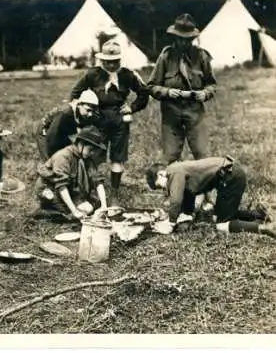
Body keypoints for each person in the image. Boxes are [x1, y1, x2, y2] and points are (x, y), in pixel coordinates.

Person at [71, 40, 149, 207]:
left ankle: (114, 193)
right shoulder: (92, 74)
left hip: (119, 122)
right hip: (97, 120)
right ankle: (92, 191)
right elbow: (75, 94)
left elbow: (144, 93)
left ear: (120, 60)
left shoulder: (128, 75)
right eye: (108, 61)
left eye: (115, 61)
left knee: (117, 157)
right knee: (94, 156)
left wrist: (132, 107)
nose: (112, 65)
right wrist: (82, 110)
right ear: (101, 61)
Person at [145, 156, 274, 237]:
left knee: (221, 226)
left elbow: (176, 201)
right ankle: (258, 215)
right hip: (230, 174)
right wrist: (186, 215)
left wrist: (170, 223)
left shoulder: (173, 173)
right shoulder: (176, 168)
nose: (164, 190)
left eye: (161, 186)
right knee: (219, 216)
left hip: (230, 177)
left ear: (161, 174)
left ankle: (264, 229)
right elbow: (189, 193)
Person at [147, 13, 216, 165]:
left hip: (195, 112)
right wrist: (167, 92)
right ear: (174, 38)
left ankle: (203, 186)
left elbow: (212, 84)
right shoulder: (166, 56)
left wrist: (204, 94)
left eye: (188, 40)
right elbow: (151, 86)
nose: (183, 43)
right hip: (171, 112)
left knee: (203, 155)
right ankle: (172, 186)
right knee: (170, 157)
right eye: (180, 39)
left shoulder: (201, 56)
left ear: (192, 39)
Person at [32, 126, 109, 221]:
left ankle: (62, 209)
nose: (92, 153)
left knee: (88, 209)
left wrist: (104, 206)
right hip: (50, 188)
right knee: (72, 216)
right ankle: (46, 209)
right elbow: (61, 186)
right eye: (91, 149)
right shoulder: (63, 156)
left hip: (70, 188)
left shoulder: (86, 157)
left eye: (94, 150)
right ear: (80, 144)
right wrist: (74, 211)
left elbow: (97, 180)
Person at [36, 89, 99, 161]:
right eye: (88, 110)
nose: (90, 114)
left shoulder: (84, 114)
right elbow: (52, 137)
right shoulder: (65, 114)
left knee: (70, 156)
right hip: (46, 131)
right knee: (51, 159)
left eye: (92, 111)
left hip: (64, 131)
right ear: (79, 105)